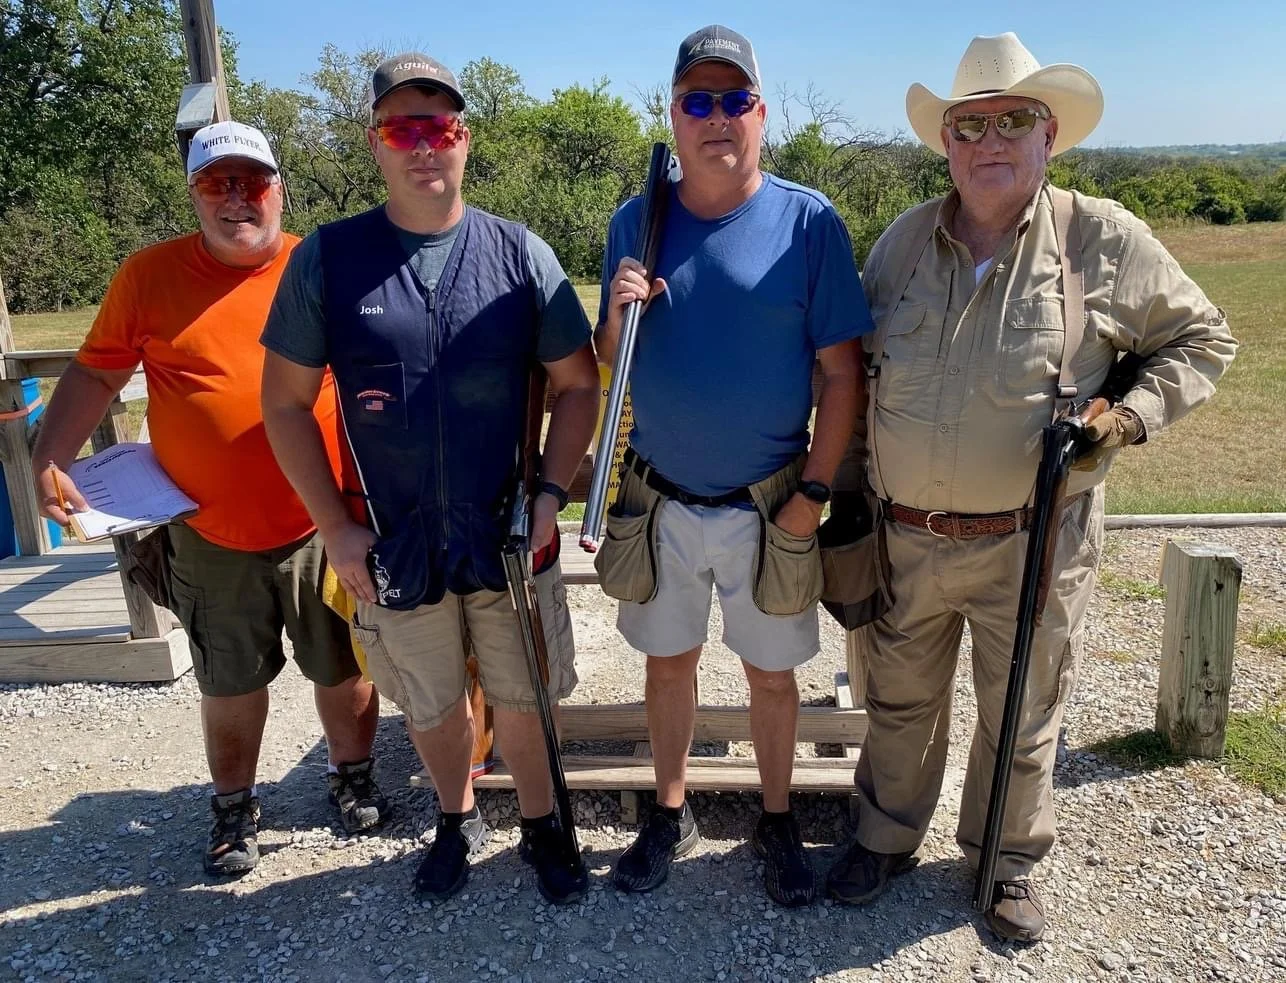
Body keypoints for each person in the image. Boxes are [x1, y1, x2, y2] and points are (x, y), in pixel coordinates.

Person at [825, 33, 1238, 941]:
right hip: (908, 533)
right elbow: (855, 378)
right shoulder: (901, 244)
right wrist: (848, 499)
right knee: (897, 700)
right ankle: (885, 837)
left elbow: (1203, 339)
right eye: (970, 125)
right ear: (947, 142)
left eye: (1013, 120)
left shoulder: (1101, 236)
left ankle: (1005, 861)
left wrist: (1124, 417)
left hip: (1035, 536)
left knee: (1028, 705)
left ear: (1049, 134)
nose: (990, 141)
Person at [259, 53, 601, 905]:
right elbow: (286, 406)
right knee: (432, 703)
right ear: (375, 144)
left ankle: (541, 824)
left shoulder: (521, 252)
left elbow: (578, 383)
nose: (424, 146)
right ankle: (455, 820)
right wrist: (335, 529)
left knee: (523, 694)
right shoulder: (330, 260)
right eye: (402, 129)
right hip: (394, 536)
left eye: (439, 127)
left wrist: (550, 496)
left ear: (465, 140)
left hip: (506, 529)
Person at [32, 120, 387, 877]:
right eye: (214, 183)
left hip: (322, 521)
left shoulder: (319, 265)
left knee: (342, 666)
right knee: (229, 679)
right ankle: (234, 804)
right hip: (208, 528)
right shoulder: (149, 275)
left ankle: (352, 778)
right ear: (192, 194)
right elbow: (96, 373)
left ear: (278, 189)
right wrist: (49, 457)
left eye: (251, 182)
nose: (236, 200)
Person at [595, 25, 872, 907]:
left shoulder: (808, 220)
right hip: (661, 492)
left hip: (769, 502)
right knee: (667, 663)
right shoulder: (634, 221)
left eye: (734, 100)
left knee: (770, 673)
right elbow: (612, 357)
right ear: (673, 116)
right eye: (698, 101)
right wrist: (620, 312)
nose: (717, 118)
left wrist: (814, 497)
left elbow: (840, 370)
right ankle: (667, 810)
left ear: (762, 111)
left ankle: (778, 817)